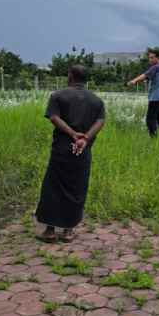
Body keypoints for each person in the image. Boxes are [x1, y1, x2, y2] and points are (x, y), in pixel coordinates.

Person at [35, 64, 105, 242]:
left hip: (62, 149)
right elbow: (100, 121)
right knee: (77, 188)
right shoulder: (96, 101)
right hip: (82, 151)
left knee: (53, 187)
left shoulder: (58, 96)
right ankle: (68, 231)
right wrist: (85, 138)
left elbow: (53, 117)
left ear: (70, 76)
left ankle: (49, 231)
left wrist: (73, 134)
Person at [128, 48, 159, 137]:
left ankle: (153, 139)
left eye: (152, 57)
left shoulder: (156, 67)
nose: (150, 59)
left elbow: (145, 75)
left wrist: (134, 81)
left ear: (157, 58)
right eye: (149, 58)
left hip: (156, 98)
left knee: (150, 119)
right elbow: (151, 78)